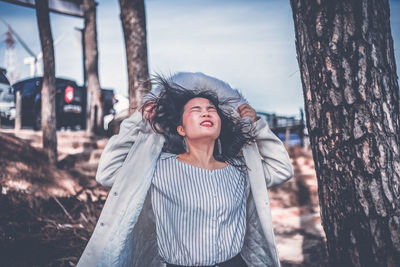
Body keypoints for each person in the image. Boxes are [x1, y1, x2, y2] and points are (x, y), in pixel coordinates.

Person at [77, 72, 294, 267]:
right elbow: (107, 173)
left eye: (211, 109)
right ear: (181, 128)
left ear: (220, 124)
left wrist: (257, 125)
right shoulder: (159, 167)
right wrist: (137, 123)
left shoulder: (238, 170)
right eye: (196, 110)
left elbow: (281, 169)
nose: (206, 113)